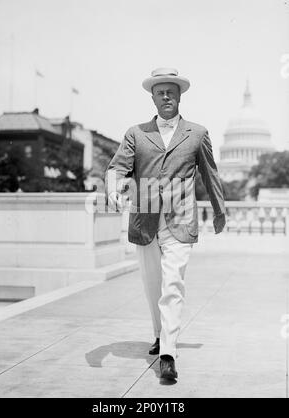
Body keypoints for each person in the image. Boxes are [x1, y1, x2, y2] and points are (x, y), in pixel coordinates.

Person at [105, 68, 226, 381]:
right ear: (153, 97)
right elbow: (117, 167)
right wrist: (112, 190)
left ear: (180, 95)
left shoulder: (197, 133)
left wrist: (219, 209)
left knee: (173, 285)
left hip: (181, 220)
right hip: (144, 219)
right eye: (161, 92)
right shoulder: (136, 133)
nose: (167, 97)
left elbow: (210, 174)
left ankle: (169, 355)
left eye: (171, 91)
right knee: (152, 285)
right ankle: (160, 335)